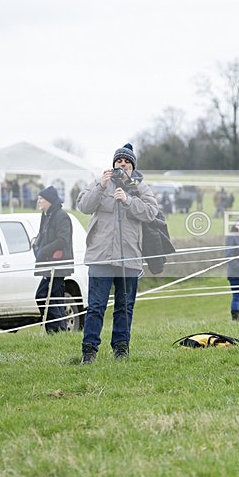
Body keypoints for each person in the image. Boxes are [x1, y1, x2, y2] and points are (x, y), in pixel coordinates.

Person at [76, 143, 158, 363]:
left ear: (133, 167)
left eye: (127, 163)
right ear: (113, 164)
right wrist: (100, 187)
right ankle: (89, 351)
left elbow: (151, 212)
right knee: (95, 306)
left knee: (124, 306)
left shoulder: (140, 187)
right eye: (119, 162)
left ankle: (121, 349)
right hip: (100, 256)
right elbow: (83, 205)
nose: (122, 166)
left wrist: (129, 200)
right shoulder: (98, 181)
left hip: (129, 257)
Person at [33, 186, 74, 333]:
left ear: (49, 200)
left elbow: (63, 240)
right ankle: (56, 330)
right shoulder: (46, 215)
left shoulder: (61, 216)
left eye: (41, 199)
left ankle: (55, 329)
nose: (38, 201)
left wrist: (44, 250)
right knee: (51, 298)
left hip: (58, 264)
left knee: (45, 296)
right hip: (48, 263)